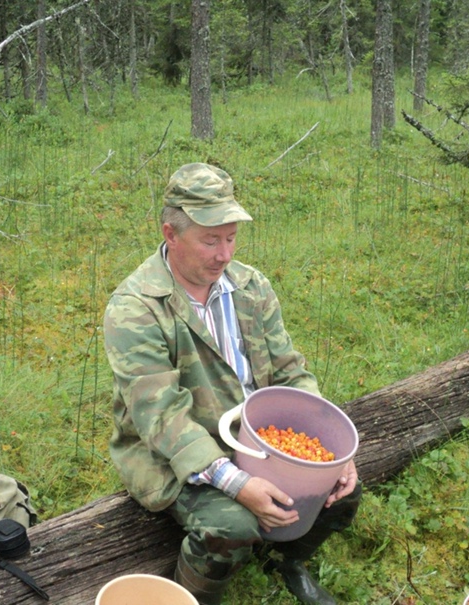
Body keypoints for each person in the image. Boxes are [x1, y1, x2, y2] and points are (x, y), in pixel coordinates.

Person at [103, 163, 362, 605]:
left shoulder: (249, 286)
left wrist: (331, 455)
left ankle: (287, 561)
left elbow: (289, 372)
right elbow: (161, 417)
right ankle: (192, 597)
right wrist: (237, 483)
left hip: (256, 436)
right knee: (233, 526)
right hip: (174, 450)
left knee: (344, 495)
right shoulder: (136, 309)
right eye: (210, 240)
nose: (224, 255)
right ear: (170, 233)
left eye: (231, 238)